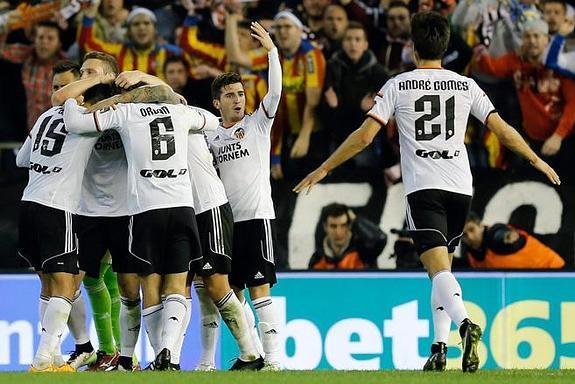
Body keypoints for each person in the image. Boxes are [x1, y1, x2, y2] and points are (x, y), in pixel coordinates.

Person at [294, 11, 560, 373]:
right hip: (461, 188)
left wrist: (325, 167)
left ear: (412, 48)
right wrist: (535, 160)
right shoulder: (465, 85)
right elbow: (503, 129)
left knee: (437, 271)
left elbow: (365, 136)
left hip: (424, 188)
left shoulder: (399, 84)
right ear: (445, 45)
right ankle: (438, 348)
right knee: (442, 268)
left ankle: (466, 325)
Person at [63, 76, 217, 371]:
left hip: (146, 211)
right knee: (176, 285)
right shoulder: (181, 112)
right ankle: (169, 355)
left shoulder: (126, 112)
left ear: (133, 95)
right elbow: (211, 120)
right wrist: (173, 96)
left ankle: (159, 352)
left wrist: (76, 99)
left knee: (150, 286)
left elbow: (76, 123)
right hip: (182, 207)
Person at [15, 63, 118, 373]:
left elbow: (22, 159)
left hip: (28, 203)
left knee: (47, 285)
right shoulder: (84, 118)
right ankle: (42, 360)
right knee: (65, 284)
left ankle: (56, 356)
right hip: (57, 207)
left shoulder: (45, 117)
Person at [206, 21, 282, 371]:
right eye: (231, 95)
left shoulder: (257, 123)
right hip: (226, 224)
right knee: (233, 294)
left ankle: (276, 362)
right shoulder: (209, 136)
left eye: (241, 93)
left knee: (260, 290)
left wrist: (271, 51)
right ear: (217, 103)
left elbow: (276, 93)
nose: (238, 100)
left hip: (257, 216)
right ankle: (252, 354)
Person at [78, 3, 182, 79]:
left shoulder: (172, 53)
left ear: (155, 29)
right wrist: (89, 15)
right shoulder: (117, 52)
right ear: (128, 31)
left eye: (146, 23)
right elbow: (87, 44)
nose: (141, 28)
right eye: (136, 24)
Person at [0, 20, 66, 132]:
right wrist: (6, 25)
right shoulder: (27, 55)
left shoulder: (67, 67)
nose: (44, 42)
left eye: (50, 38)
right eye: (40, 37)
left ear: (59, 44)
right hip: (29, 132)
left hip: (58, 131)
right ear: (34, 40)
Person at [462, 213, 565, 269]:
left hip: (555, 271)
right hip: (529, 281)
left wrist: (508, 236)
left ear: (481, 226)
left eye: (472, 229)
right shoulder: (473, 253)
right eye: (465, 235)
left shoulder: (494, 235)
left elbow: (502, 234)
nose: (470, 237)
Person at [309, 203, 387, 270]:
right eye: (333, 226)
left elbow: (380, 239)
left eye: (343, 225)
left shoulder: (363, 251)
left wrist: (356, 220)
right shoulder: (317, 259)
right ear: (325, 227)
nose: (338, 232)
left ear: (349, 226)